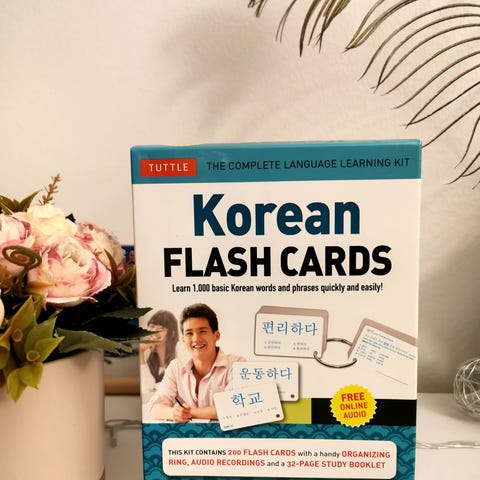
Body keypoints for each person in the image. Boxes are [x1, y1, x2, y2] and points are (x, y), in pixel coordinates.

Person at [148, 303, 244, 422]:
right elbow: (154, 407)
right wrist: (174, 413)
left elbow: (234, 407)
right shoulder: (176, 367)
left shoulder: (237, 365)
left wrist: (188, 413)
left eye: (202, 331)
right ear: (183, 339)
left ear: (216, 335)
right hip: (185, 435)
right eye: (189, 333)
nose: (196, 339)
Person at [140, 310, 179, 399]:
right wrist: (141, 352)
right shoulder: (146, 354)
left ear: (172, 333)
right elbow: (147, 387)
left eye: (160, 328)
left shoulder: (179, 351)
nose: (154, 331)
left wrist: (156, 387)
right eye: (151, 326)